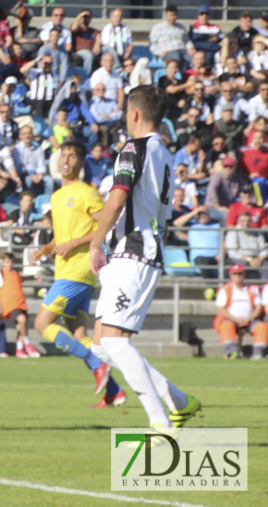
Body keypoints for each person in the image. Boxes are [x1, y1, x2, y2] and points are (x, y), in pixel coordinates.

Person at [89, 85, 202, 432]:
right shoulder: (165, 153)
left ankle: (161, 423)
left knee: (113, 341)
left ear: (134, 114)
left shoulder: (132, 148)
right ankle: (179, 401)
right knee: (101, 344)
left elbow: (119, 198)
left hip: (133, 252)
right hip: (140, 248)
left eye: (126, 112)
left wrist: (95, 243)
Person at [29, 140, 127, 406]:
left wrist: (73, 244)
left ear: (81, 163)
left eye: (72, 156)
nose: (66, 160)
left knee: (41, 324)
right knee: (79, 334)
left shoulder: (87, 193)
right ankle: (114, 392)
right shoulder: (56, 196)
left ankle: (98, 366)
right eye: (64, 155)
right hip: (66, 269)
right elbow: (63, 235)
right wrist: (46, 248)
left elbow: (105, 227)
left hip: (79, 270)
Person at [0, 252, 40, 359]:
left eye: (11, 262)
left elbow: (22, 279)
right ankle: (28, 343)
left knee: (20, 327)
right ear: (3, 263)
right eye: (7, 262)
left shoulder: (15, 273)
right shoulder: (0, 273)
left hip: (20, 302)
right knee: (22, 320)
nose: (9, 264)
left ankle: (19, 350)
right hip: (11, 305)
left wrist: (33, 277)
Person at [214, 264, 268, 359]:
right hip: (231, 319)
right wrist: (235, 319)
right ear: (230, 275)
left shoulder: (253, 289)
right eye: (235, 274)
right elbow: (220, 308)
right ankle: (232, 353)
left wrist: (250, 318)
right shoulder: (225, 289)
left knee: (262, 327)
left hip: (250, 320)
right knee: (226, 326)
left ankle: (259, 353)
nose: (237, 276)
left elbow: (258, 307)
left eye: (240, 273)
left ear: (244, 275)